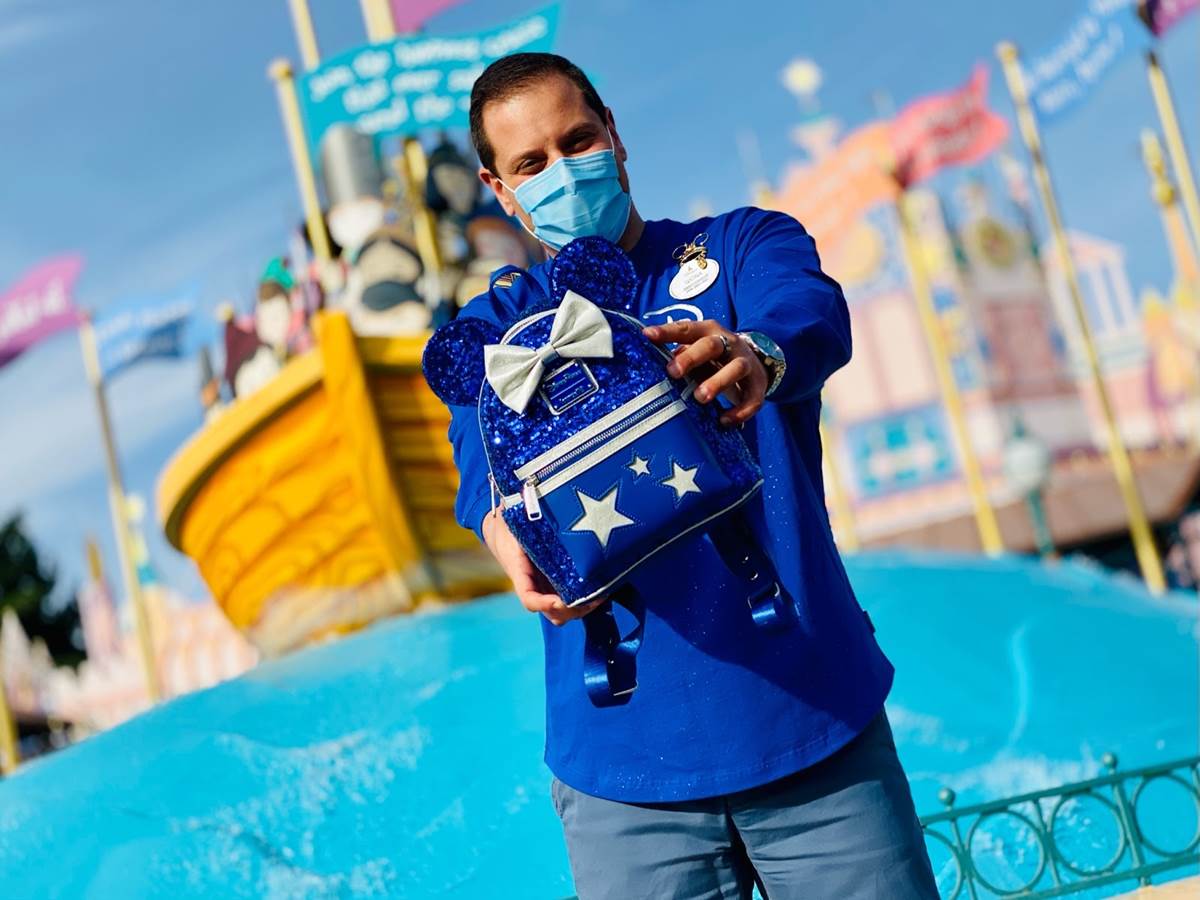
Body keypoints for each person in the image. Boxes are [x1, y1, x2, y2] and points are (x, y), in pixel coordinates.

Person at [447, 52, 939, 899]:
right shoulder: (493, 330)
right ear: (500, 189)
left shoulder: (742, 244)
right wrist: (501, 530)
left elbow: (811, 314)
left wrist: (759, 354)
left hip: (817, 728)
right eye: (532, 163)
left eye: (578, 141)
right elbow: (474, 462)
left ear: (615, 136)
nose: (564, 171)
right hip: (622, 776)